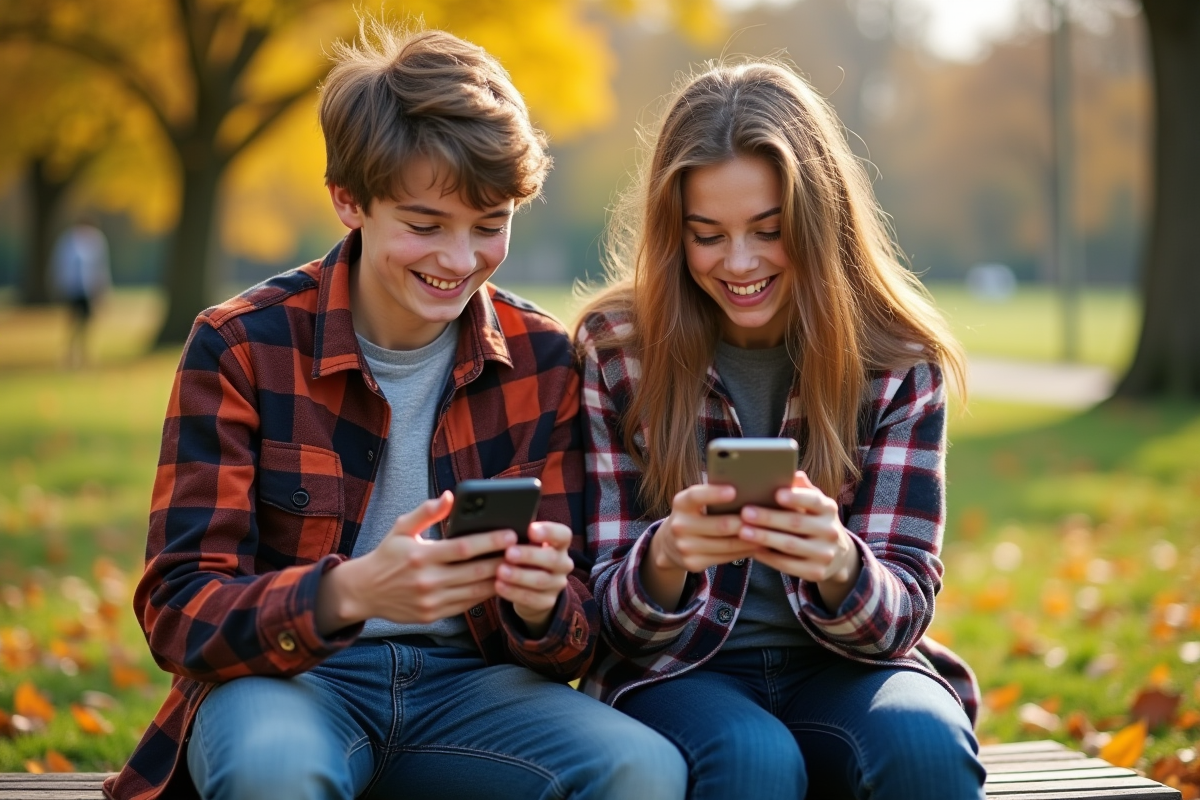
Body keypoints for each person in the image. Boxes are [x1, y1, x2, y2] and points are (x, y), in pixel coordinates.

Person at [104, 22, 686, 800]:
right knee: (273, 770)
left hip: (470, 692)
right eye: (424, 226)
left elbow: (576, 637)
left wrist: (546, 604)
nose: (458, 260)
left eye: (490, 226)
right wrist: (350, 594)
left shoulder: (544, 359)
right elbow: (179, 612)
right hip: (290, 679)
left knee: (643, 770)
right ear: (350, 200)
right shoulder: (241, 345)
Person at [575, 59, 987, 800]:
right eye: (708, 235)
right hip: (680, 673)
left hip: (849, 668)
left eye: (769, 231)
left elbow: (898, 617)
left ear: (818, 219)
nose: (739, 263)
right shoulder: (617, 351)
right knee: (753, 762)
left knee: (926, 745)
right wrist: (665, 556)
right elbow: (608, 619)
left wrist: (837, 562)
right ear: (676, 235)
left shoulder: (895, 360)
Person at [51, 215, 110, 368]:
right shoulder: (68, 240)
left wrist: (101, 289)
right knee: (72, 324)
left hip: (88, 289)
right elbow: (60, 264)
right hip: (72, 289)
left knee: (87, 324)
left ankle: (85, 355)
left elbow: (100, 268)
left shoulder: (95, 240)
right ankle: (69, 356)